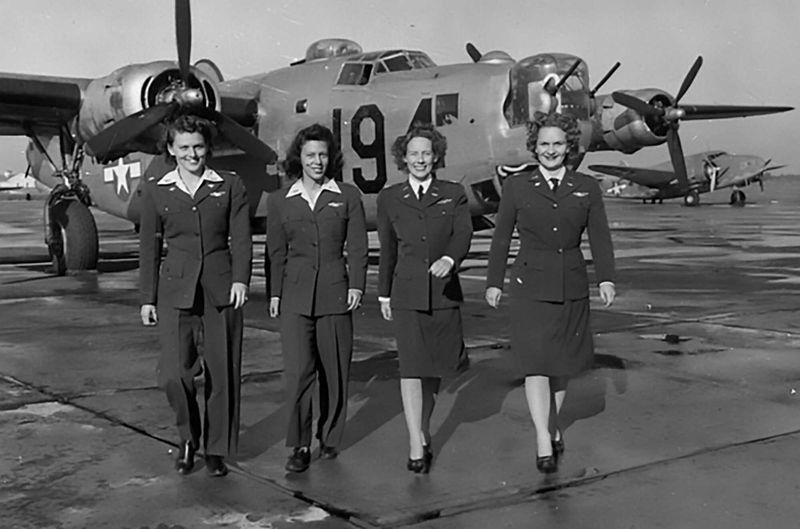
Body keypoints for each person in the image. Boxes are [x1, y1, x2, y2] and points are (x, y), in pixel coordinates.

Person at [485, 111, 616, 474]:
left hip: (571, 283)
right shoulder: (517, 187)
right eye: (544, 144)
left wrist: (606, 278)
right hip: (529, 285)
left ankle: (552, 424)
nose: (551, 150)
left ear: (569, 146)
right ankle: (543, 436)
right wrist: (493, 281)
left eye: (558, 143)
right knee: (535, 364)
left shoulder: (587, 187)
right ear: (534, 148)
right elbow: (501, 237)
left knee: (560, 366)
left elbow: (600, 237)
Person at [139, 113, 252, 477]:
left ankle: (216, 449)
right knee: (174, 374)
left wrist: (241, 280)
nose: (192, 154)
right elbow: (148, 247)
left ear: (209, 148)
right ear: (171, 149)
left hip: (221, 289)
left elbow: (242, 238)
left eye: (199, 146)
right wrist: (147, 297)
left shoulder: (230, 185)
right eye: (184, 147)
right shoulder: (157, 188)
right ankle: (189, 438)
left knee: (223, 373)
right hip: (175, 289)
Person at [266, 123, 368, 473]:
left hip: (335, 293)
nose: (317, 161)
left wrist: (356, 285)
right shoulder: (280, 200)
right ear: (299, 158)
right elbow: (275, 252)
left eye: (323, 154)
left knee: (335, 371)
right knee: (297, 374)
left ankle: (330, 435)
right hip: (295, 296)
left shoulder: (347, 196)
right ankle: (298, 444)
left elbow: (357, 247)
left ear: (332, 157)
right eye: (310, 155)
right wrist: (275, 293)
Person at [376, 123, 473, 474]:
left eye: (426, 154)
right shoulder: (389, 197)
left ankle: (423, 428)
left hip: (444, 294)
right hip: (406, 294)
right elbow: (387, 249)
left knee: (435, 371)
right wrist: (383, 293)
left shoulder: (453, 192)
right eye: (413, 153)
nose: (420, 159)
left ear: (436, 157)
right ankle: (415, 443)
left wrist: (450, 258)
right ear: (404, 157)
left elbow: (463, 232)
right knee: (412, 369)